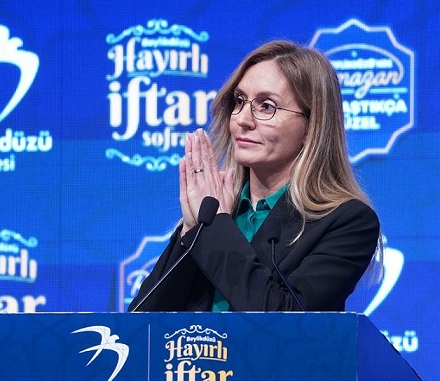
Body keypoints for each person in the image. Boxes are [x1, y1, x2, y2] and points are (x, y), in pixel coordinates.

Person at [128, 39, 380, 314]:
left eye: (266, 106)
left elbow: (284, 320)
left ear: (311, 126)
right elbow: (139, 325)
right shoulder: (215, 209)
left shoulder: (347, 222)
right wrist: (191, 230)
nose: (242, 119)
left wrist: (215, 227)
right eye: (239, 101)